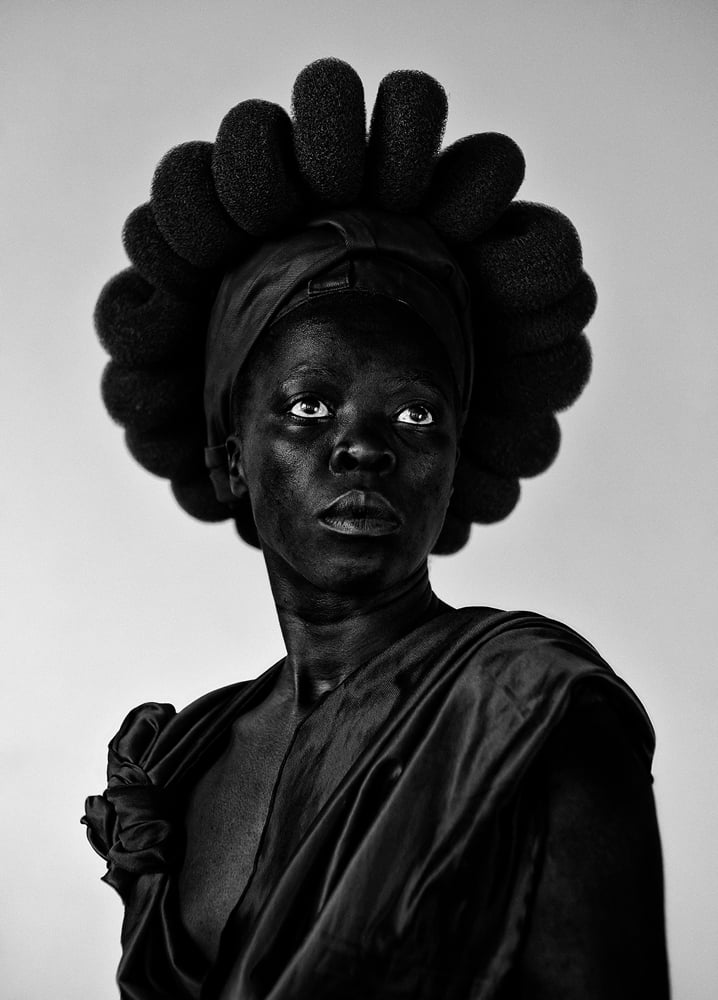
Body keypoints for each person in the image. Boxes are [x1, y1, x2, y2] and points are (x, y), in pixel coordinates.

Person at [82, 59, 670, 998]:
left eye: (415, 415)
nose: (363, 448)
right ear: (233, 457)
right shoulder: (185, 758)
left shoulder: (529, 715)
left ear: (454, 461)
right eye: (310, 406)